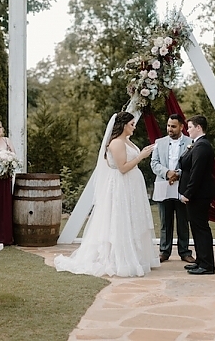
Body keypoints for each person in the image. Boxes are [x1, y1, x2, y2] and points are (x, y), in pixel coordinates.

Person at [54, 112, 160, 277]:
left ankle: (136, 256)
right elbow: (123, 168)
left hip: (132, 186)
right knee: (120, 220)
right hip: (121, 186)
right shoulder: (116, 143)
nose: (134, 126)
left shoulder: (127, 141)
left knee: (132, 219)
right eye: (132, 124)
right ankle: (118, 259)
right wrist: (141, 156)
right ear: (123, 125)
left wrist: (143, 152)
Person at [151, 114, 195, 264]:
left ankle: (184, 251)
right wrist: (167, 173)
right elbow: (154, 163)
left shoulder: (191, 142)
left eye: (173, 126)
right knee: (165, 220)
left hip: (182, 186)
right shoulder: (159, 142)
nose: (170, 129)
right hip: (163, 185)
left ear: (181, 127)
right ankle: (164, 251)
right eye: (168, 126)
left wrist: (178, 174)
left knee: (183, 220)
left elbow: (192, 164)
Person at [178, 115, 215, 275]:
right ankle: (201, 260)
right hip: (197, 194)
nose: (188, 130)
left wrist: (188, 193)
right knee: (196, 227)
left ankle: (207, 265)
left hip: (199, 195)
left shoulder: (202, 146)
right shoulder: (196, 145)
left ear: (199, 127)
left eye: (190, 127)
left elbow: (197, 173)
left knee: (201, 229)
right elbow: (184, 163)